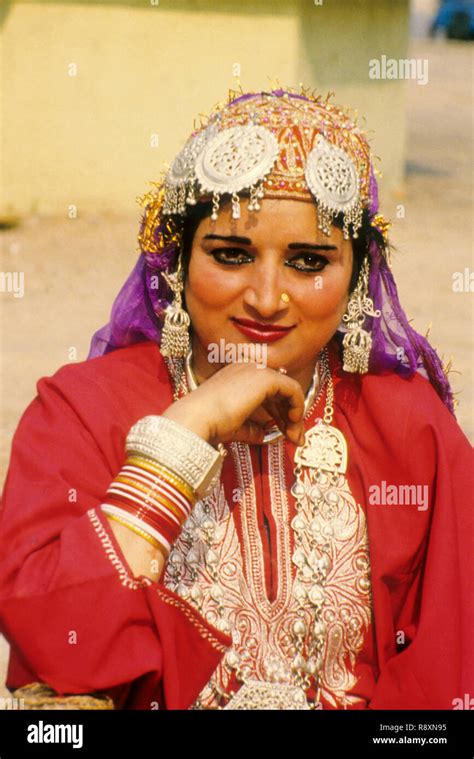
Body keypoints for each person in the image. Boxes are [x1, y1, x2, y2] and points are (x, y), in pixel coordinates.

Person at [0, 88, 472, 711]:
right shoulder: (83, 413)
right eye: (231, 255)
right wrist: (182, 435)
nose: (267, 298)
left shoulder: (411, 428)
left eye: (308, 261)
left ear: (357, 277)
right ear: (177, 259)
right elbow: (56, 636)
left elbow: (451, 670)